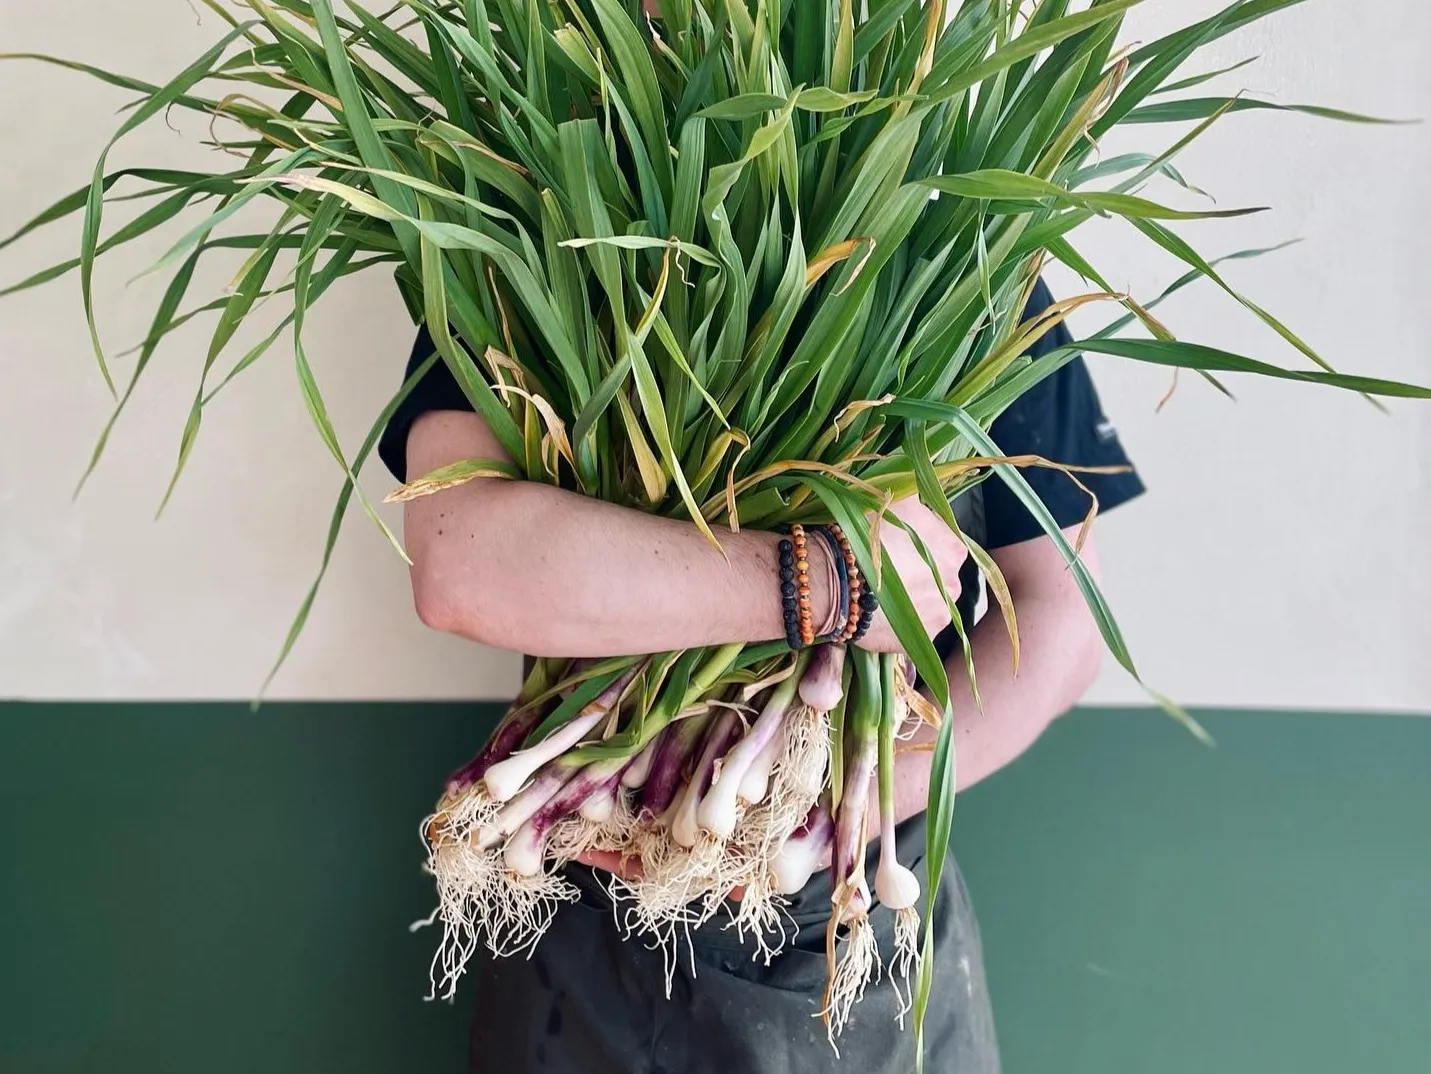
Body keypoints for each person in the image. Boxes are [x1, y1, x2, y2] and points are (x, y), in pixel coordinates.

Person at [377, 278, 1145, 1073]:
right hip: (571, 884)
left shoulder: (971, 254)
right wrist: (827, 583)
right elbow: (458, 564)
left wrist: (825, 822)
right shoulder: (534, 230)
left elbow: (1061, 620)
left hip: (853, 900)